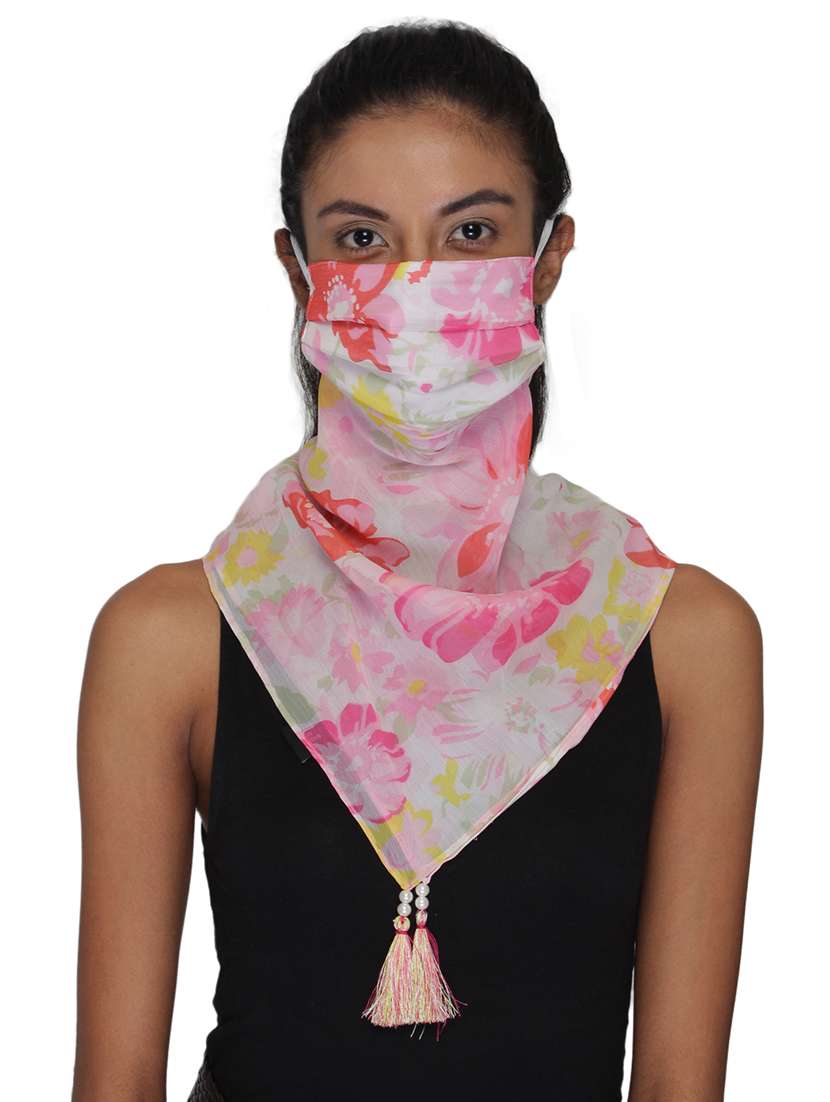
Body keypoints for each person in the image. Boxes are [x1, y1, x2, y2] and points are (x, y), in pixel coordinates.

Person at [72, 19, 763, 1102]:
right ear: (298, 271)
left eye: (471, 232)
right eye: (360, 239)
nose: (414, 285)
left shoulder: (682, 638)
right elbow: (113, 1085)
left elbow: (680, 1082)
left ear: (547, 259)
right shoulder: (169, 638)